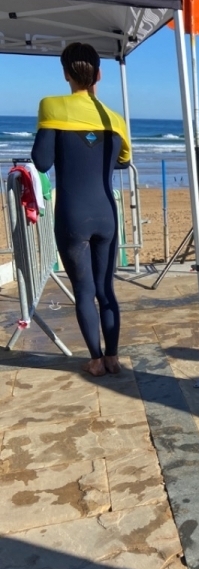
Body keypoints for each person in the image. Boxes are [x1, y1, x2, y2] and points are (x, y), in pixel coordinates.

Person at [31, 42, 131, 377]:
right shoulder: (114, 119)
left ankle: (96, 360)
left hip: (72, 215)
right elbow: (123, 160)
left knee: (85, 292)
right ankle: (113, 357)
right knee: (107, 291)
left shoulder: (51, 106)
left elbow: (41, 161)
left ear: (66, 74)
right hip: (106, 213)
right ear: (99, 75)